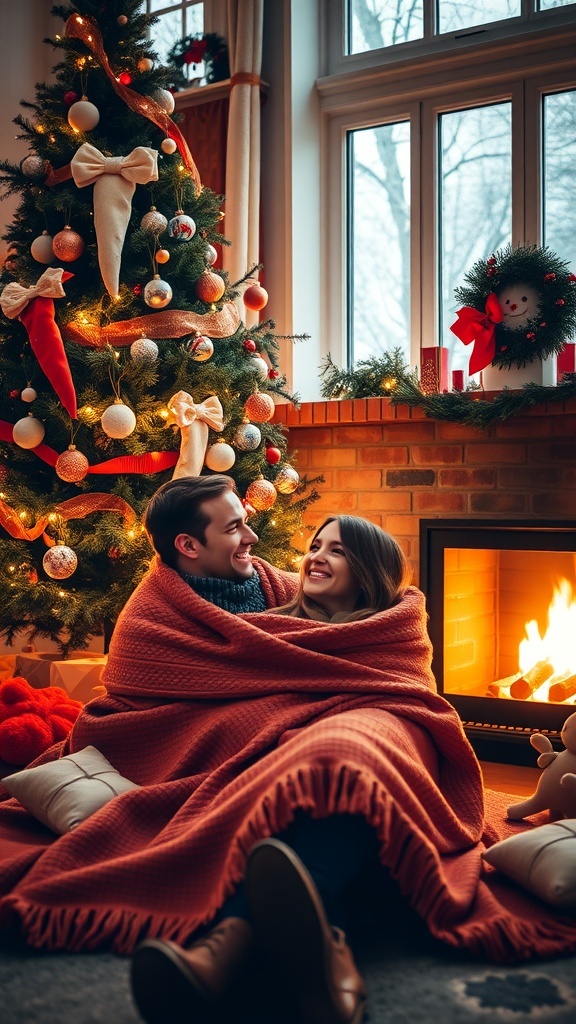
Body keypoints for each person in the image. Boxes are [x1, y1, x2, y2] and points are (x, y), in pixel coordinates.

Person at [130, 487, 413, 1024]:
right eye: (315, 544)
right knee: (314, 776)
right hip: (280, 784)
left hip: (362, 766)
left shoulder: (390, 635)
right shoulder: (267, 626)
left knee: (344, 753)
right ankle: (330, 961)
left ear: (370, 572)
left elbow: (413, 703)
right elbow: (249, 703)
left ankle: (223, 950)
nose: (314, 556)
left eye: (337, 550)